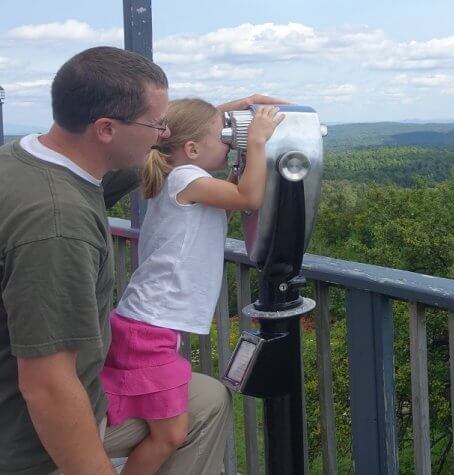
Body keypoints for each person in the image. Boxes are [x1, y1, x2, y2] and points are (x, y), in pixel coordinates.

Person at [0, 46, 280, 475]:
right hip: (28, 440)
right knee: (189, 419)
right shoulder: (57, 223)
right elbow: (48, 388)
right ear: (106, 129)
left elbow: (165, 151)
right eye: (156, 124)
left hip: (73, 386)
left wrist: (215, 118)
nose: (161, 133)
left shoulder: (29, 163)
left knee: (205, 396)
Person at [101, 99, 282, 475]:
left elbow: (229, 202)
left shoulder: (180, 176)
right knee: (170, 434)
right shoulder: (185, 178)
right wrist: (258, 143)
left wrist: (240, 113)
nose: (232, 142)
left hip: (147, 324)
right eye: (225, 136)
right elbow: (249, 198)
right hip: (148, 328)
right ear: (193, 149)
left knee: (159, 422)